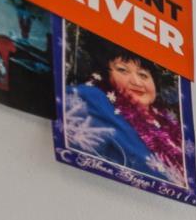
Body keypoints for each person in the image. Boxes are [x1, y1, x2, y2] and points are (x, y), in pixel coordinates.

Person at [62, 33, 187, 186]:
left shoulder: (171, 127)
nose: (136, 81)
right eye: (123, 70)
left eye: (143, 75)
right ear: (105, 75)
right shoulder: (92, 99)